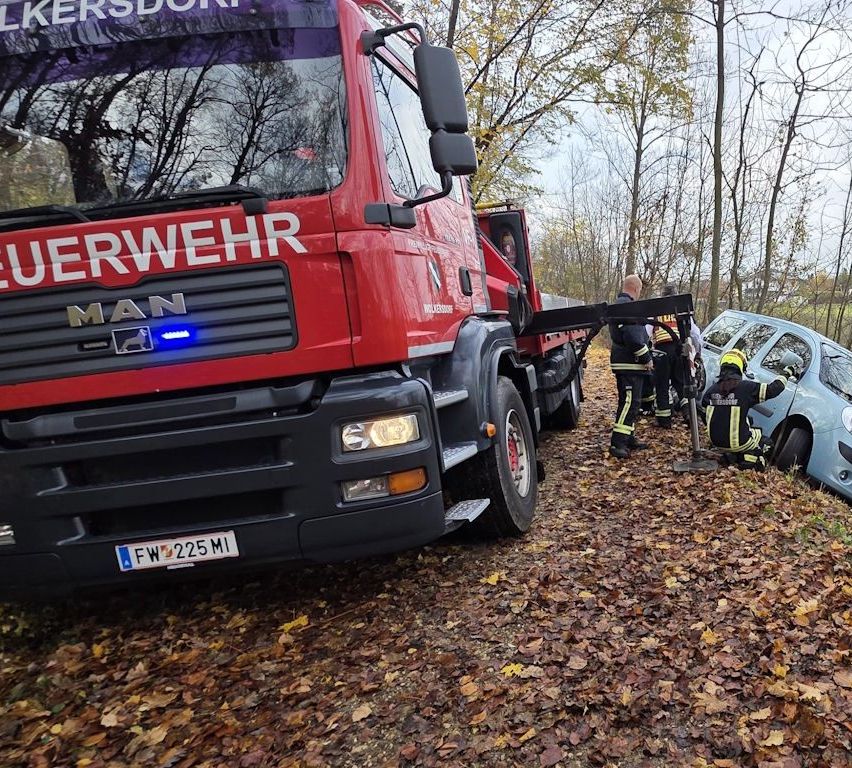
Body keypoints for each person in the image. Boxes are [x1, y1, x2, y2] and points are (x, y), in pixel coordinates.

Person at [701, 349, 786, 469]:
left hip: (716, 441)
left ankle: (729, 455)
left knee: (748, 422)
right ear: (740, 367)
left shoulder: (711, 390)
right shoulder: (746, 388)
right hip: (738, 443)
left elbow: (707, 417)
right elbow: (774, 389)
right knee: (767, 443)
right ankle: (747, 458)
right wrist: (787, 373)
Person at [609, 274, 653, 459]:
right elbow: (634, 338)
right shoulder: (629, 307)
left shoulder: (619, 305)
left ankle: (628, 437)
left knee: (631, 403)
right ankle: (618, 443)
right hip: (630, 364)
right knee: (630, 403)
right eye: (640, 290)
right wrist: (647, 358)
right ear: (636, 288)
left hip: (627, 363)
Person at [649, 284, 703, 428]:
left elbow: (647, 332)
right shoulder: (681, 309)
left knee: (662, 385)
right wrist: (696, 353)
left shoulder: (655, 311)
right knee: (681, 383)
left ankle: (665, 421)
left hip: (661, 352)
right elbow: (695, 334)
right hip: (679, 351)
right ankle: (689, 416)